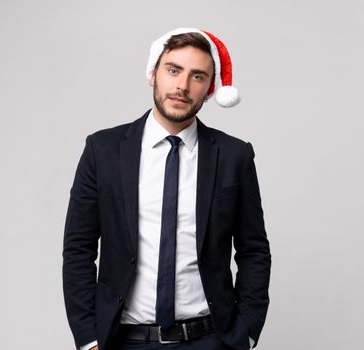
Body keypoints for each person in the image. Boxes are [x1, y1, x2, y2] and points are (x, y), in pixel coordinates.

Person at [63, 27, 271, 350]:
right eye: (173, 70)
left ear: (210, 89)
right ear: (153, 74)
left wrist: (246, 333)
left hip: (209, 340)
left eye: (198, 76)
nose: (182, 86)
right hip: (124, 341)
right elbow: (78, 248)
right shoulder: (103, 151)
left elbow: (254, 250)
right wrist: (89, 339)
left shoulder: (234, 157)